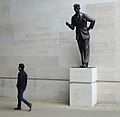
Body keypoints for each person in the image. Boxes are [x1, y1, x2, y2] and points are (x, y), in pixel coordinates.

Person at [66, 3, 95, 68]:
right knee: (81, 50)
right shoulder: (73, 18)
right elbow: (73, 27)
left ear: (79, 8)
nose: (76, 9)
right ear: (74, 9)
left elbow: (93, 20)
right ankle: (83, 63)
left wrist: (89, 28)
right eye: (75, 8)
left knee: (86, 49)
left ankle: (85, 62)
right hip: (78, 35)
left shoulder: (84, 15)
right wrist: (68, 25)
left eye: (77, 8)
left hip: (85, 34)